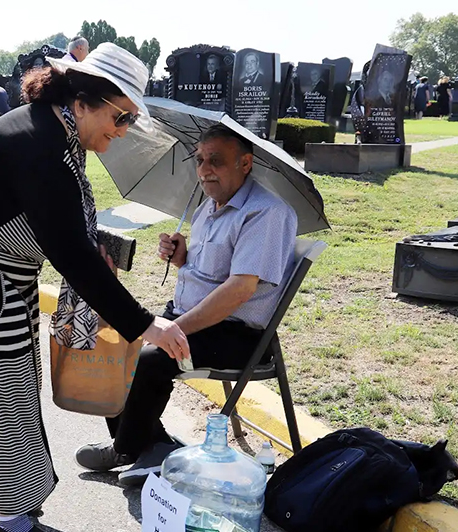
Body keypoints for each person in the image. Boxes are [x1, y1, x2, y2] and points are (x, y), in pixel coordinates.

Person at [0, 43, 189, 532]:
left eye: (131, 118)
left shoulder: (56, 132)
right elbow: (70, 254)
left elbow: (66, 232)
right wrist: (145, 325)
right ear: (83, 100)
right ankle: (8, 516)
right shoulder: (41, 143)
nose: (123, 129)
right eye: (119, 115)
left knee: (2, 379)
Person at [76, 123, 297, 485]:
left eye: (216, 161)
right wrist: (183, 258)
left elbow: (240, 290)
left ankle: (130, 447)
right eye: (200, 160)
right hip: (193, 320)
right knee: (121, 346)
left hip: (236, 335)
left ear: (245, 163)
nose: (205, 170)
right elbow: (210, 271)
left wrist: (174, 330)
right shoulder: (209, 206)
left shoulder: (266, 213)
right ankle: (146, 445)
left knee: (150, 359)